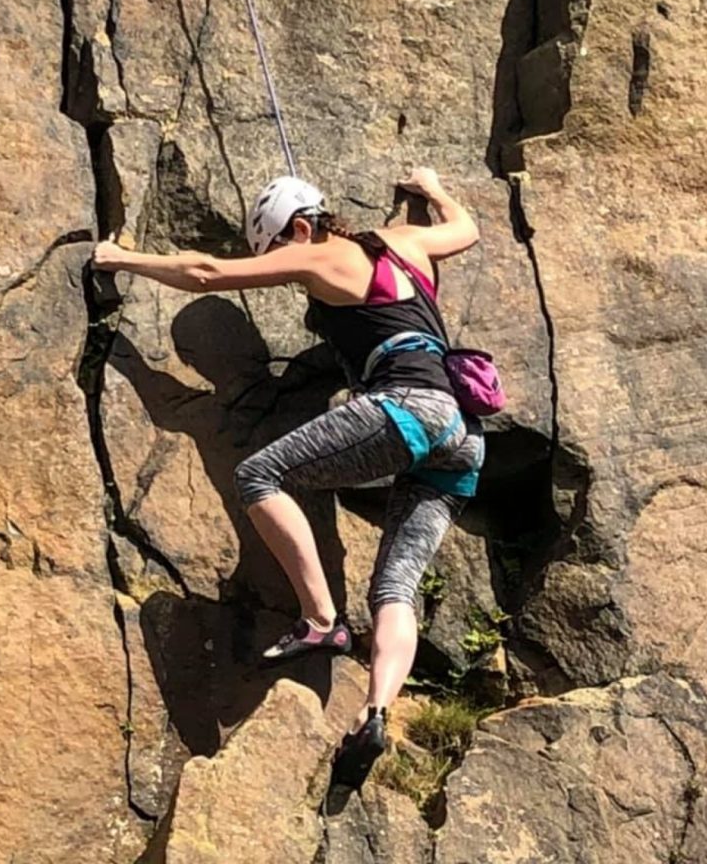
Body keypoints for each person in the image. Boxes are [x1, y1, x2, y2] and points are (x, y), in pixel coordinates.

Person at [93, 167, 484, 788]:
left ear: (301, 227)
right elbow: (465, 229)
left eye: (279, 249)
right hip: (462, 435)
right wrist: (432, 188)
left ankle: (323, 619)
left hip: (409, 409)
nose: (282, 268)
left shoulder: (321, 255)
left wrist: (121, 257)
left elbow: (206, 274)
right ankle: (375, 713)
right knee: (396, 587)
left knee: (260, 474)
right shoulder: (407, 242)